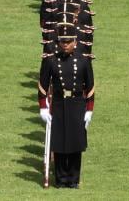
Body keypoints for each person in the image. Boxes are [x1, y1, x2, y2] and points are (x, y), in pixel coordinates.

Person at [38, 22, 94, 189]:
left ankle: (73, 178)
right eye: (63, 41)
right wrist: (43, 106)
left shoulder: (83, 61)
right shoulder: (51, 61)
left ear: (75, 42)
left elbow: (90, 87)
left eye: (68, 41)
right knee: (60, 142)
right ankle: (61, 178)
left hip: (77, 104)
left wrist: (89, 109)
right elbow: (42, 85)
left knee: (75, 142)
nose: (65, 44)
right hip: (59, 103)